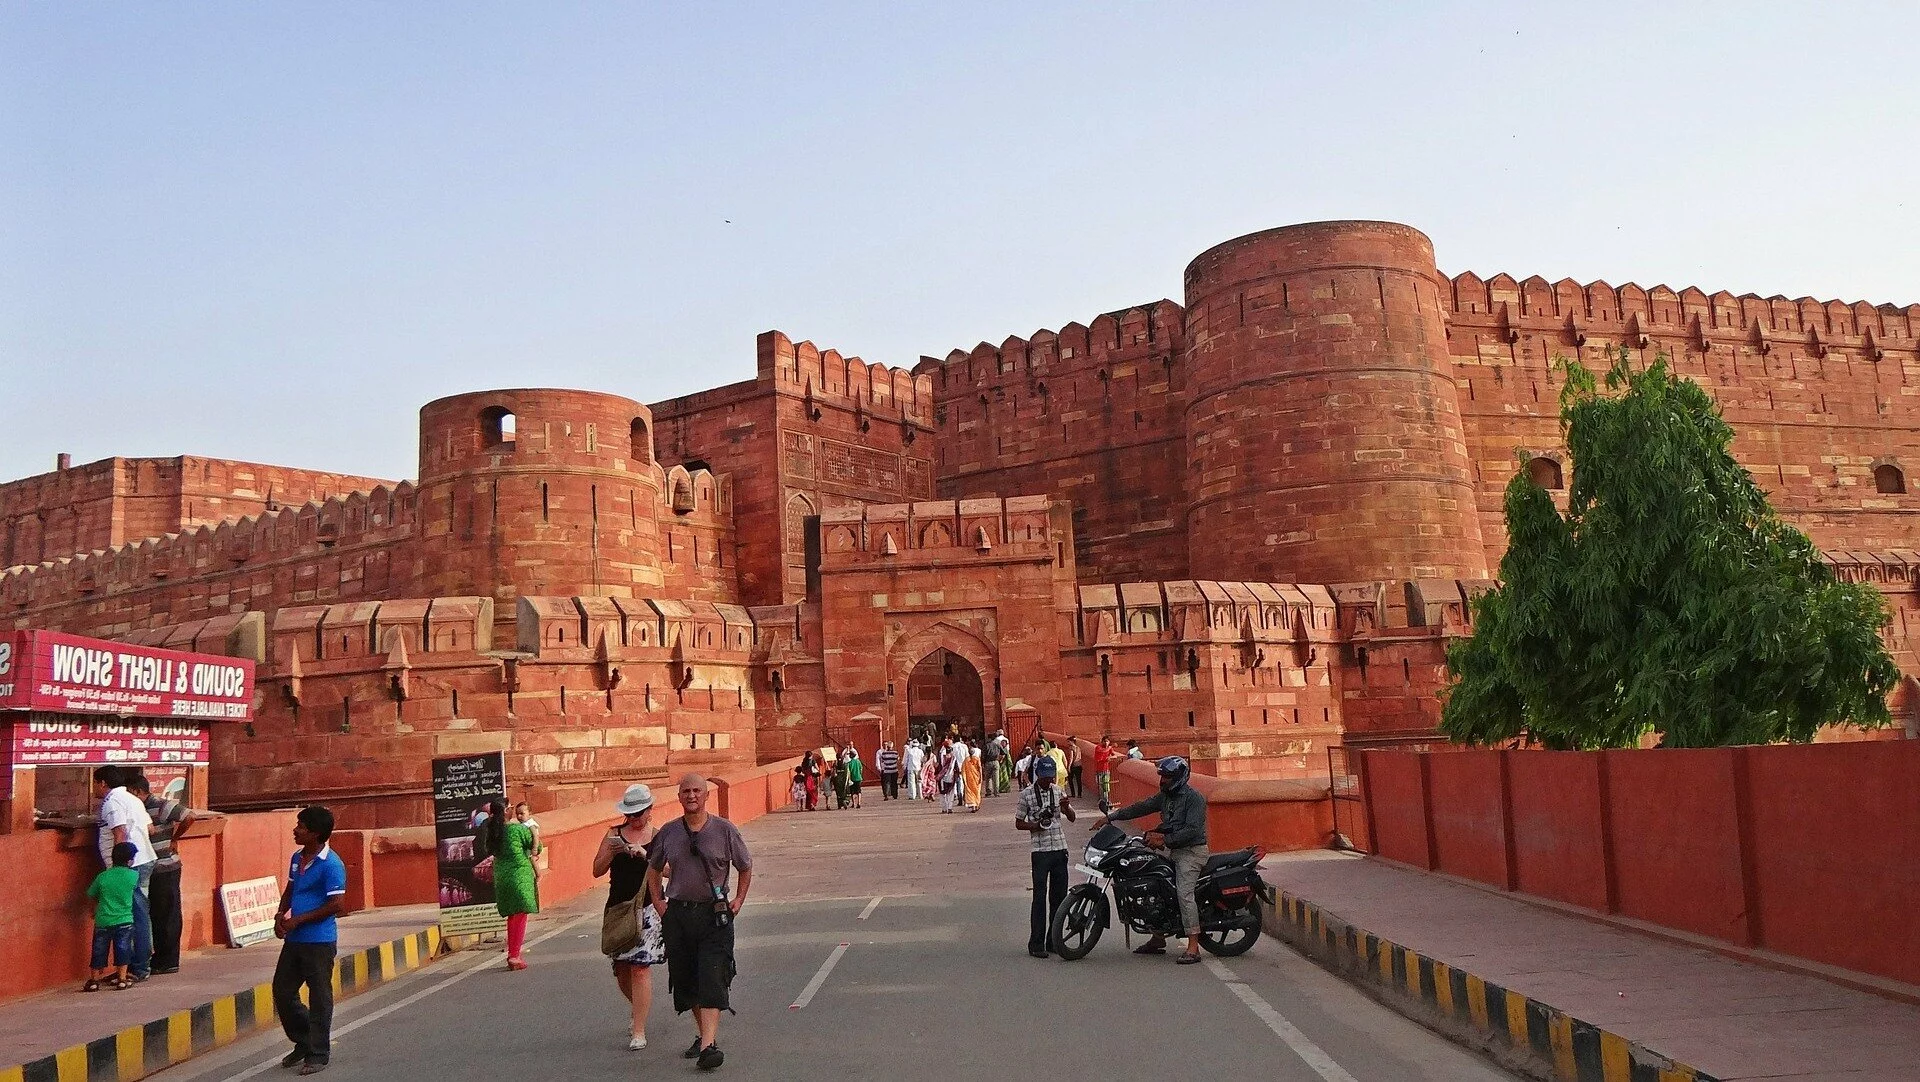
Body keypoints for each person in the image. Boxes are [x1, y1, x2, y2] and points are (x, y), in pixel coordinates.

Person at [645, 775, 752, 1071]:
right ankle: (705, 1035)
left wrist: (739, 900)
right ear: (679, 797)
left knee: (713, 975)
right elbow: (653, 869)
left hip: (714, 914)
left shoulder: (725, 830)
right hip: (678, 914)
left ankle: (708, 1046)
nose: (691, 796)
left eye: (697, 791)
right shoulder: (668, 832)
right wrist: (658, 902)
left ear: (706, 796)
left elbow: (744, 866)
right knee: (687, 978)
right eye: (686, 791)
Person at [1093, 756, 1209, 965]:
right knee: (1152, 884)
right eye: (1162, 776)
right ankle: (1157, 938)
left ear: (1179, 777)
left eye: (1167, 776)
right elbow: (1141, 807)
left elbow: (1192, 830)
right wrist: (1111, 817)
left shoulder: (1194, 799)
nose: (1162, 780)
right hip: (1171, 849)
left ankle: (1193, 946)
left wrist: (1164, 839)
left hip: (1191, 852)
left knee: (1183, 893)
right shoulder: (1165, 797)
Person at [274, 805, 347, 1074]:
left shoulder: (332, 864)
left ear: (315, 833)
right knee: (282, 992)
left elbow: (336, 904)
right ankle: (304, 1039)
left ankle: (318, 1053)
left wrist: (299, 920)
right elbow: (291, 888)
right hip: (294, 940)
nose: (296, 830)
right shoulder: (297, 857)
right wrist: (280, 915)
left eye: (301, 826)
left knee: (319, 997)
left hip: (319, 940)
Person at [594, 784, 664, 1051]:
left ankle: (639, 1030)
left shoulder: (658, 838)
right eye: (631, 814)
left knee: (640, 967)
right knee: (622, 969)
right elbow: (596, 870)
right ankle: (639, 1010)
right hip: (619, 907)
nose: (635, 818)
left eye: (639, 813)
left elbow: (669, 871)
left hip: (647, 908)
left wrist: (647, 856)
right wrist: (612, 853)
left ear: (649, 811)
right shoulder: (613, 834)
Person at [92, 766, 156, 982]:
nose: (94, 788)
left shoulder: (113, 801)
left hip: (131, 864)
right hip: (144, 858)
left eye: (95, 784)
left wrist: (120, 868)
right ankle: (137, 964)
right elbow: (150, 828)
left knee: (134, 916)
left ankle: (138, 967)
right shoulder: (133, 799)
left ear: (102, 783)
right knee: (139, 913)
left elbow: (120, 832)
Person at [127, 773, 194, 975]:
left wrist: (175, 838)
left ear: (139, 791)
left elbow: (189, 816)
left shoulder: (160, 805)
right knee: (155, 913)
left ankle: (168, 959)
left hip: (166, 866)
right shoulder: (138, 808)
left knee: (167, 913)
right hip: (150, 866)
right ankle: (158, 957)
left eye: (131, 792)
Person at [1015, 757, 1076, 958]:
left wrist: (1066, 807)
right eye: (1044, 778)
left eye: (1050, 778)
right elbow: (1018, 823)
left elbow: (1072, 818)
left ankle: (1053, 941)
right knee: (1039, 898)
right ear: (1037, 775)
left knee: (1059, 898)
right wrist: (1036, 825)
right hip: (1040, 852)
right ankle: (1036, 944)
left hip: (1059, 848)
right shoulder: (1027, 795)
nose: (1048, 781)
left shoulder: (1058, 791)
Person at [486, 798, 540, 970]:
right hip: (519, 876)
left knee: (512, 915)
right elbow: (537, 847)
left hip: (502, 877)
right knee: (520, 915)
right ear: (506, 812)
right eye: (510, 808)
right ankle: (514, 955)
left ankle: (513, 953)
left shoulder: (493, 832)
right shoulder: (517, 829)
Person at [84, 841, 140, 991]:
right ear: (129, 861)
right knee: (123, 949)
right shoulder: (133, 876)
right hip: (124, 919)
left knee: (98, 950)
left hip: (103, 920)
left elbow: (91, 894)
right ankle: (121, 978)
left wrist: (93, 910)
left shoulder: (103, 877)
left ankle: (94, 980)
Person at [1092, 735, 1117, 810]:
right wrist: (1110, 747)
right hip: (1098, 770)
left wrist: (1110, 757)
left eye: (1107, 741)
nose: (1106, 743)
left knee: (1106, 787)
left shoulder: (1109, 748)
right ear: (1102, 742)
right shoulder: (1098, 747)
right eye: (1105, 741)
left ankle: (1107, 802)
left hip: (1106, 770)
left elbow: (1114, 756)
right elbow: (1102, 752)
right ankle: (1104, 801)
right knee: (1100, 787)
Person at [961, 737, 983, 812]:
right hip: (976, 778)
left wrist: (964, 778)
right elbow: (980, 769)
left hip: (969, 778)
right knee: (977, 791)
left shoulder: (966, 760)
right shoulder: (977, 759)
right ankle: (976, 805)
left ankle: (973, 806)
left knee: (970, 791)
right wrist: (981, 777)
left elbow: (963, 770)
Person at [844, 744, 865, 808]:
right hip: (859, 777)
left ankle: (854, 803)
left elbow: (849, 772)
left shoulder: (849, 763)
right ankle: (859, 802)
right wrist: (860, 775)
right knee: (859, 791)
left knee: (852, 791)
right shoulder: (858, 761)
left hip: (852, 778)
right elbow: (861, 768)